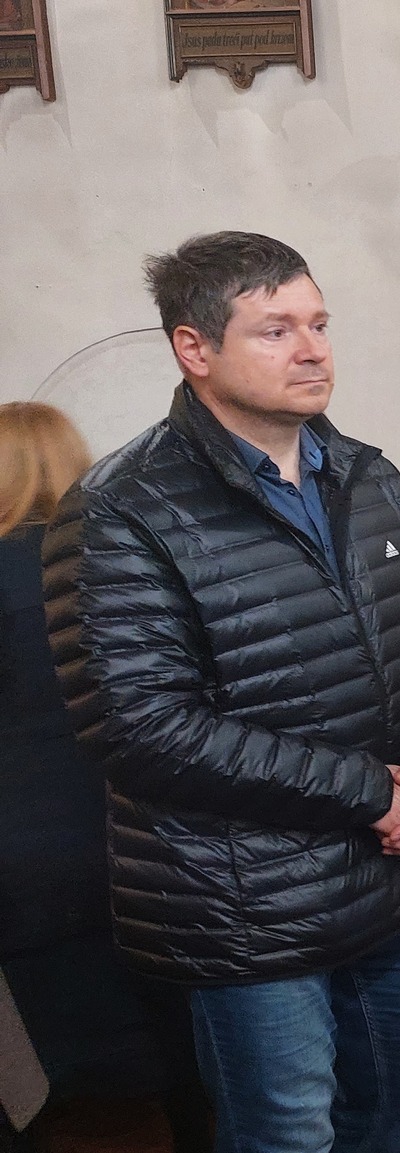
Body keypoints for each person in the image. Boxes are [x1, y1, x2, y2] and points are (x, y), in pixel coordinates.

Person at [41, 232, 400, 1152]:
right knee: (282, 1131)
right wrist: (373, 791)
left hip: (396, 867)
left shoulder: (367, 472)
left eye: (318, 323)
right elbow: (140, 727)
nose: (313, 348)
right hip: (243, 895)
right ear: (194, 349)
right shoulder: (121, 507)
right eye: (274, 330)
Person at [0, 402, 208, 1152]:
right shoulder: (127, 560)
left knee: (41, 1043)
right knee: (174, 1022)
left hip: (23, 844)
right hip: (141, 825)